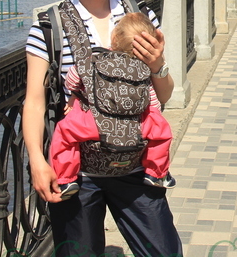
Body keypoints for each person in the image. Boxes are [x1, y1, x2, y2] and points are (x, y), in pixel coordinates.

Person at [22, 0, 187, 257]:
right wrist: (37, 161)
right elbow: (32, 102)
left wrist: (158, 64)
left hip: (135, 164)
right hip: (77, 171)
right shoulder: (50, 26)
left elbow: (162, 95)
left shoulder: (138, 14)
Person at [50, 12, 176, 200]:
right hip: (136, 126)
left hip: (95, 121)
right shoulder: (143, 69)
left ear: (114, 37)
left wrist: (74, 93)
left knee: (64, 133)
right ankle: (156, 173)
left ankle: (66, 178)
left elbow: (75, 76)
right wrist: (153, 117)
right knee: (162, 133)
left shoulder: (97, 58)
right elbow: (154, 101)